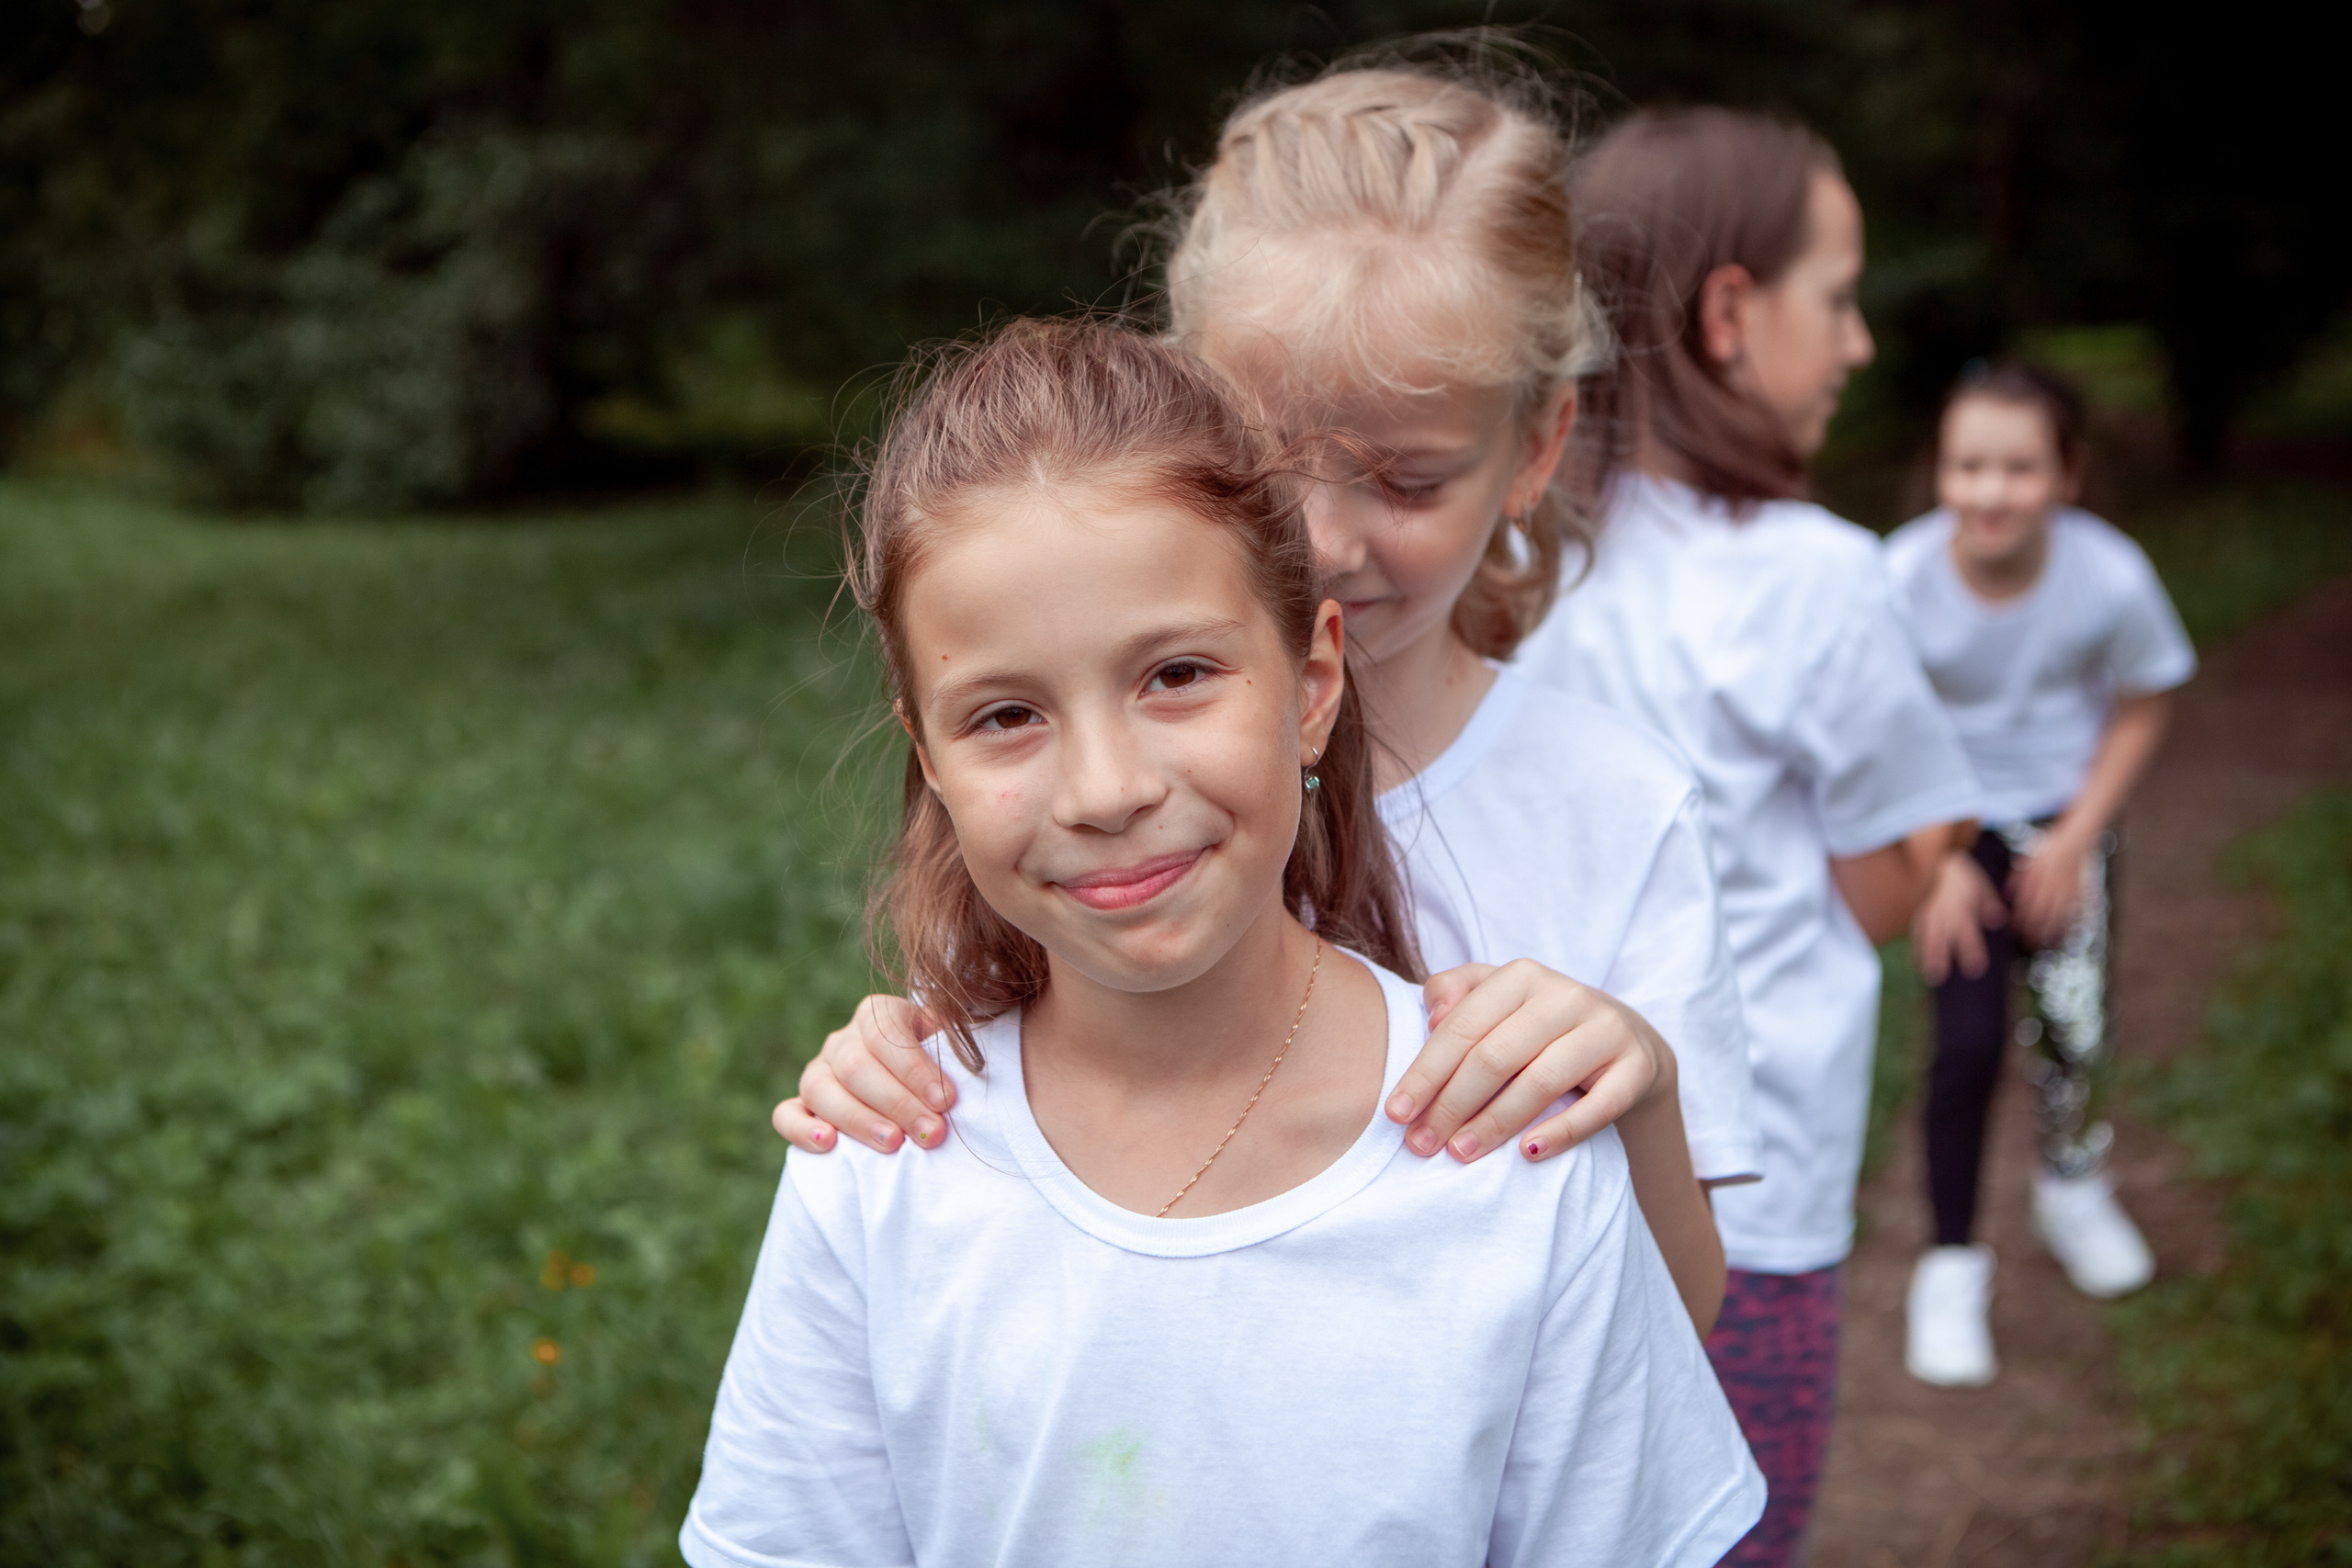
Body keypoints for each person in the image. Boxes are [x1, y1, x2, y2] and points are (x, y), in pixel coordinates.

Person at [681, 317, 1765, 1568]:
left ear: (1312, 685)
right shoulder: (879, 1166)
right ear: (928, 753)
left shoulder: (1505, 1145)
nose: (1105, 788)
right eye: (1007, 713)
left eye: (1178, 674)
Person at [774, 59, 1762, 1332]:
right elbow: (979, 1091)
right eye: (1274, 458)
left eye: (1407, 480)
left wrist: (1644, 1089)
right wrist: (888, 1063)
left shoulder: (1615, 809)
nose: (1328, 537)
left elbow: (1686, 1311)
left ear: (1535, 448)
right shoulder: (1075, 790)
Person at [1512, 108, 1982, 1567]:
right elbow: (1887, 882)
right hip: (1744, 1189)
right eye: (1835, 298)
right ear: (1729, 313)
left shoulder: (1499, 558)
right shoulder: (1820, 579)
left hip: (1509, 1174)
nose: (1856, 344)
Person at [1886, 360, 2192, 1388]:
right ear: (1940, 469)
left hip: (2066, 822)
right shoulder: (1897, 577)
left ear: (2068, 474)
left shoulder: (2110, 576)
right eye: (1967, 465)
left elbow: (2143, 702)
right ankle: (1949, 1266)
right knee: (1966, 1046)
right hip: (1950, 830)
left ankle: (2072, 1188)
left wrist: (2073, 841)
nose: (1990, 491)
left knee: (2075, 1027)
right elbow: (1875, 729)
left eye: (2019, 468)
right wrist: (1933, 863)